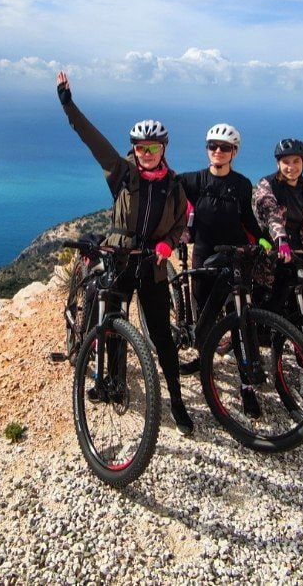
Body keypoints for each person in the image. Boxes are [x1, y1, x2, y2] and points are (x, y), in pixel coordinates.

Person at [55, 71, 195, 433]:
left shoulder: (176, 186)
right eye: (140, 148)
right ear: (133, 149)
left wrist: (169, 244)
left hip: (152, 266)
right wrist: (68, 104)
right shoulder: (122, 173)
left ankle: (177, 402)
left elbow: (180, 224)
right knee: (114, 328)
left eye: (153, 147)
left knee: (163, 338)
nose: (146, 153)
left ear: (164, 148)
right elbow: (91, 138)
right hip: (119, 262)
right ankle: (113, 384)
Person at [178, 123, 264, 376]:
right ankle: (203, 358)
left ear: (234, 152)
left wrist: (263, 239)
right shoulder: (193, 180)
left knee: (237, 312)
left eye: (225, 147)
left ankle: (246, 368)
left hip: (235, 256)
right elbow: (164, 186)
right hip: (204, 253)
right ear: (207, 149)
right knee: (204, 311)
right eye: (212, 146)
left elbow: (247, 218)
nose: (218, 151)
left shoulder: (242, 184)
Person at [252, 138, 303, 320]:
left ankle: (299, 346)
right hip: (273, 256)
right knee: (271, 309)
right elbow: (271, 214)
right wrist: (281, 239)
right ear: (278, 163)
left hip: (300, 257)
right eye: (285, 162)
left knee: (301, 309)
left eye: (296, 161)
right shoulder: (268, 185)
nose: (291, 167)